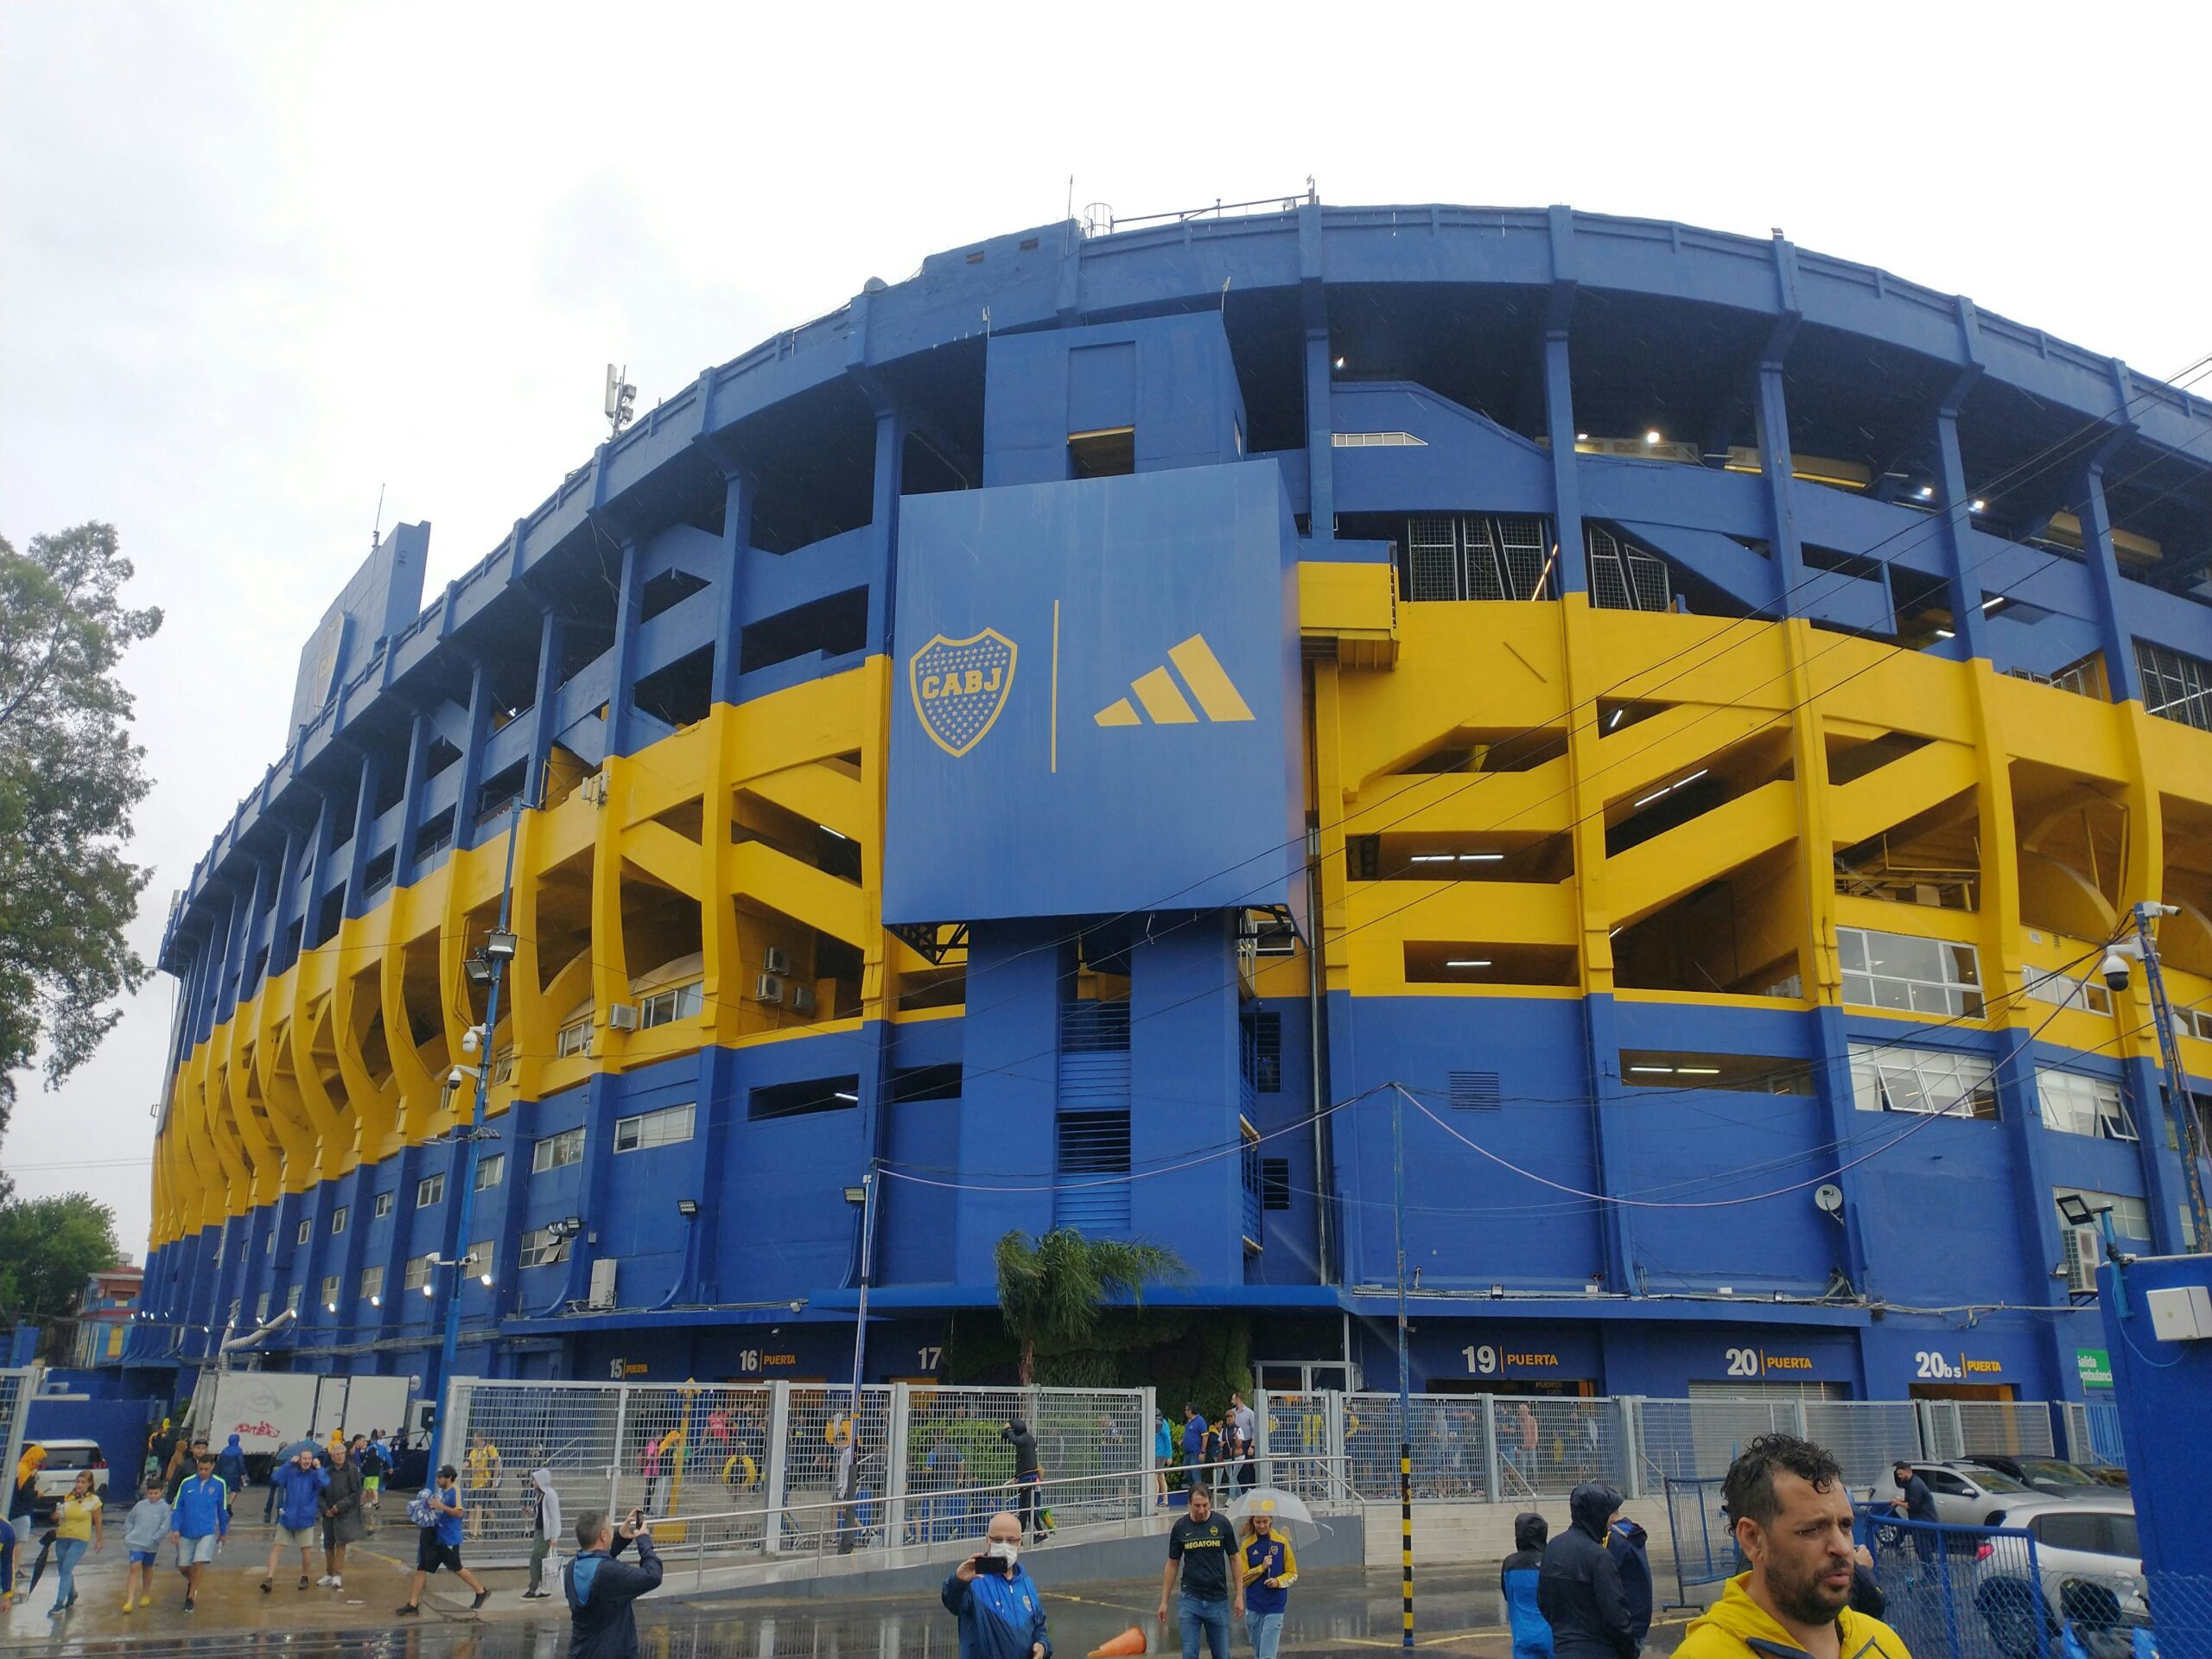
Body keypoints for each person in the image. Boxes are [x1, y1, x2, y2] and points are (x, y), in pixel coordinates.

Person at [1675, 1433, 1911, 1659]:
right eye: (1812, 1529)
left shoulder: (1883, 1643)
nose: (1843, 1548)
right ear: (1753, 1538)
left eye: (1845, 1525)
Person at [1536, 1483, 1637, 1659]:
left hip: (1563, 1648)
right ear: (1597, 1513)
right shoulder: (1599, 1556)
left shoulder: (1553, 1547)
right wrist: (1630, 1650)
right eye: (1609, 1513)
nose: (1613, 1519)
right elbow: (1615, 1613)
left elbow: (1543, 1600)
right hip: (1600, 1649)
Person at [941, 1509, 1050, 1659]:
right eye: (998, 1540)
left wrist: (1042, 1645)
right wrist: (958, 1581)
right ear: (988, 1540)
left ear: (1020, 1541)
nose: (1004, 1545)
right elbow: (953, 1602)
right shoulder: (973, 1581)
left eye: (1011, 1540)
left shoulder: (1026, 1582)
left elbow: (1039, 1627)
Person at [564, 1505, 664, 1658]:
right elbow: (653, 1576)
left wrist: (621, 1537)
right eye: (611, 1528)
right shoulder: (609, 1573)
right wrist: (643, 1539)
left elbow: (597, 1559)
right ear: (603, 1535)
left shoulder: (572, 1567)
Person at [1159, 1483, 1242, 1659]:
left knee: (1221, 1654)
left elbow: (1235, 1559)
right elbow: (1173, 1564)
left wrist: (1240, 1596)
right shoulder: (1180, 1527)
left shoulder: (1222, 1524)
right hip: (1191, 1599)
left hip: (1217, 1600)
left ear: (1210, 1502)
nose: (1202, 1510)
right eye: (1197, 1506)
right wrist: (1164, 1601)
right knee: (1189, 1653)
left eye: (1205, 1505)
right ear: (1189, 1504)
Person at [397, 1464, 490, 1616]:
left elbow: (459, 1513)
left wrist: (441, 1506)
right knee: (421, 1568)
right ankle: (413, 1604)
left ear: (449, 1478)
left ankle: (480, 1591)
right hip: (436, 1537)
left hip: (449, 1538)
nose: (438, 1480)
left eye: (440, 1477)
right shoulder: (441, 1492)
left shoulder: (456, 1491)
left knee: (457, 1568)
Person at [262, 1442, 329, 1592]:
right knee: (276, 1548)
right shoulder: (291, 1472)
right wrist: (287, 1464)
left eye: (309, 1459)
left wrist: (319, 1469)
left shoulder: (314, 1475)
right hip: (287, 1518)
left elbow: (325, 1483)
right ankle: (269, 1578)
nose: (306, 1461)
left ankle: (305, 1576)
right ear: (298, 1459)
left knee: (306, 1551)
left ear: (312, 1460)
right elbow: (275, 1477)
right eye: (303, 1458)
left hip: (305, 1520)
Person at [169, 1451, 229, 1611]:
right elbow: (178, 1507)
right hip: (187, 1530)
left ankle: (190, 1598)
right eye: (200, 1469)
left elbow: (222, 1509)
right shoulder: (187, 1483)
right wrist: (175, 1528)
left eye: (206, 1469)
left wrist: (223, 1532)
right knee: (183, 1566)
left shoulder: (219, 1484)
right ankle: (193, 1581)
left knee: (198, 1562)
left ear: (212, 1468)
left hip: (207, 1530)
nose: (203, 1472)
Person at [1238, 1504, 1300, 1659]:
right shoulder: (1247, 1546)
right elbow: (1242, 1579)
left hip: (1275, 1607)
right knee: (1258, 1653)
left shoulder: (1281, 1543)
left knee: (1267, 1655)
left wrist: (1278, 1582)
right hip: (1254, 1606)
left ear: (1271, 1520)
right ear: (1253, 1522)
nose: (1262, 1526)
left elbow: (1292, 1573)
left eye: (1265, 1521)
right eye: (1258, 1522)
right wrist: (1261, 1568)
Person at [46, 1470, 102, 1615]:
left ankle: (59, 1603)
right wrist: (55, 1516)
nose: (79, 1485)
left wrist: (99, 1540)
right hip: (63, 1535)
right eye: (77, 1482)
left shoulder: (94, 1501)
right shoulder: (68, 1497)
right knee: (63, 1569)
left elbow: (98, 1522)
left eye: (83, 1482)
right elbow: (56, 1517)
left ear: (89, 1484)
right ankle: (72, 1593)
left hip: (80, 1538)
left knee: (66, 1568)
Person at [1503, 1512, 1554, 1659]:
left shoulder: (1509, 1564)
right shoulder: (1551, 1560)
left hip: (1522, 1635)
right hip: (1549, 1634)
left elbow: (1508, 1594)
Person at [119, 1477, 172, 1614]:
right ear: (147, 1493)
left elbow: (165, 1526)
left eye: (156, 1493)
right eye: (150, 1493)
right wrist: (128, 1534)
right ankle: (130, 1600)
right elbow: (130, 1520)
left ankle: (145, 1593)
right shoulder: (140, 1506)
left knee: (147, 1567)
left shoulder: (165, 1508)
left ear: (161, 1492)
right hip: (135, 1542)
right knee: (134, 1567)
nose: (153, 1496)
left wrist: (155, 1538)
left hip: (151, 1544)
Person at [320, 1435, 365, 1588]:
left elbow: (355, 1492)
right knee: (328, 1543)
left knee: (341, 1543)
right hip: (328, 1514)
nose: (339, 1457)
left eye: (342, 1454)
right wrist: (325, 1509)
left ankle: (337, 1574)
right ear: (332, 1457)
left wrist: (339, 1506)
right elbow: (319, 1493)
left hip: (344, 1513)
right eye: (336, 1454)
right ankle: (329, 1573)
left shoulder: (352, 1470)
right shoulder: (327, 1472)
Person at [1001, 1419, 1044, 1546]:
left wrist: (1008, 1429)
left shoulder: (1026, 1439)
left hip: (1029, 1478)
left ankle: (1020, 1537)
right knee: (1027, 1508)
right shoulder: (1027, 1440)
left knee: (1024, 1508)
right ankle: (1040, 1533)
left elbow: (1015, 1440)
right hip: (1026, 1477)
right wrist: (1016, 1476)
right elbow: (1022, 1462)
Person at [525, 1467, 563, 1599]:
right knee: (541, 1560)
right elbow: (541, 1514)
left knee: (536, 1558)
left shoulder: (550, 1495)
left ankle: (533, 1588)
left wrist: (554, 1536)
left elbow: (554, 1517)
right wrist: (530, 1511)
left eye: (534, 1479)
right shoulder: (540, 1494)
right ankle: (545, 1588)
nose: (532, 1482)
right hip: (540, 1531)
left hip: (546, 1534)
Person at [467, 1432, 501, 1538]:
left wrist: (494, 1482)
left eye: (475, 1435)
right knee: (473, 1508)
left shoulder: (490, 1449)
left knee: (479, 1507)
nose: (473, 1438)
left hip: (485, 1482)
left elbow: (497, 1464)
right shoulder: (474, 1451)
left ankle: (475, 1533)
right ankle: (475, 1532)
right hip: (474, 1483)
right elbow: (468, 1462)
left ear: (481, 1438)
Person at [213, 1433, 248, 1513]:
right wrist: (242, 1472)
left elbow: (219, 1463)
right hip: (234, 1474)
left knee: (223, 1489)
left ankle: (223, 1504)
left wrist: (218, 1472)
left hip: (224, 1474)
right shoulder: (238, 1450)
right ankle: (229, 1503)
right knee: (235, 1490)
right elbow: (241, 1463)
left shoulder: (224, 1450)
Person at [10, 1444, 43, 1521]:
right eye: (38, 1460)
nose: (39, 1463)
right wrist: (37, 1493)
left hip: (14, 1510)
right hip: (20, 1513)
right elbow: (25, 1492)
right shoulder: (25, 1472)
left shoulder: (19, 1467)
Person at [362, 1430, 389, 1516]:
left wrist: (363, 1472)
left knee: (366, 1489)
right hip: (376, 1475)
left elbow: (364, 1466)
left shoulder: (368, 1456)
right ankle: (376, 1502)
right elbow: (385, 1461)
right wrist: (388, 1467)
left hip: (368, 1475)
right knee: (374, 1489)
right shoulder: (381, 1452)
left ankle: (362, 1503)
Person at [1180, 1403, 1205, 1483]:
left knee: (1196, 1476)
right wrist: (1183, 1440)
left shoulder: (1200, 1421)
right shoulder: (1188, 1423)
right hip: (1187, 1454)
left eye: (1186, 1410)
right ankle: (1194, 1491)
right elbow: (1189, 1435)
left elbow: (1205, 1436)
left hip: (1196, 1453)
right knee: (1187, 1474)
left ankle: (1199, 1492)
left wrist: (1202, 1452)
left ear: (1190, 1411)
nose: (1185, 1412)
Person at [1154, 1412, 1173, 1505]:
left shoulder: (1161, 1424)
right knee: (1161, 1477)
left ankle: (1155, 1500)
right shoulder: (1160, 1422)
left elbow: (1167, 1439)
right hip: (1156, 1453)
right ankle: (1165, 1500)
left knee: (1155, 1476)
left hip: (1160, 1454)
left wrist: (1169, 1455)